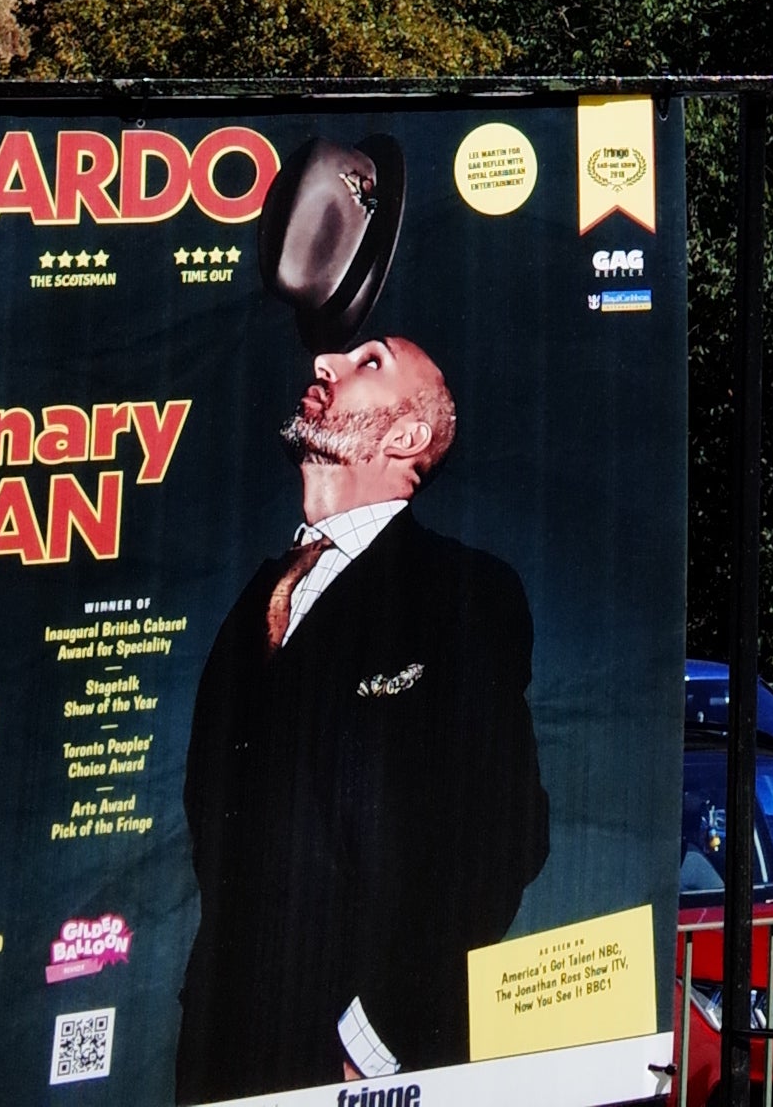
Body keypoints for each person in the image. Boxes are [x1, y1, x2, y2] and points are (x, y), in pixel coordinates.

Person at [178, 333, 547, 1103]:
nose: (324, 364)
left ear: (408, 438)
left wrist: (382, 1034)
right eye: (339, 357)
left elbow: (503, 835)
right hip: (226, 1055)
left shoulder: (462, 592)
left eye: (367, 362)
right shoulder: (255, 602)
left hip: (363, 1066)